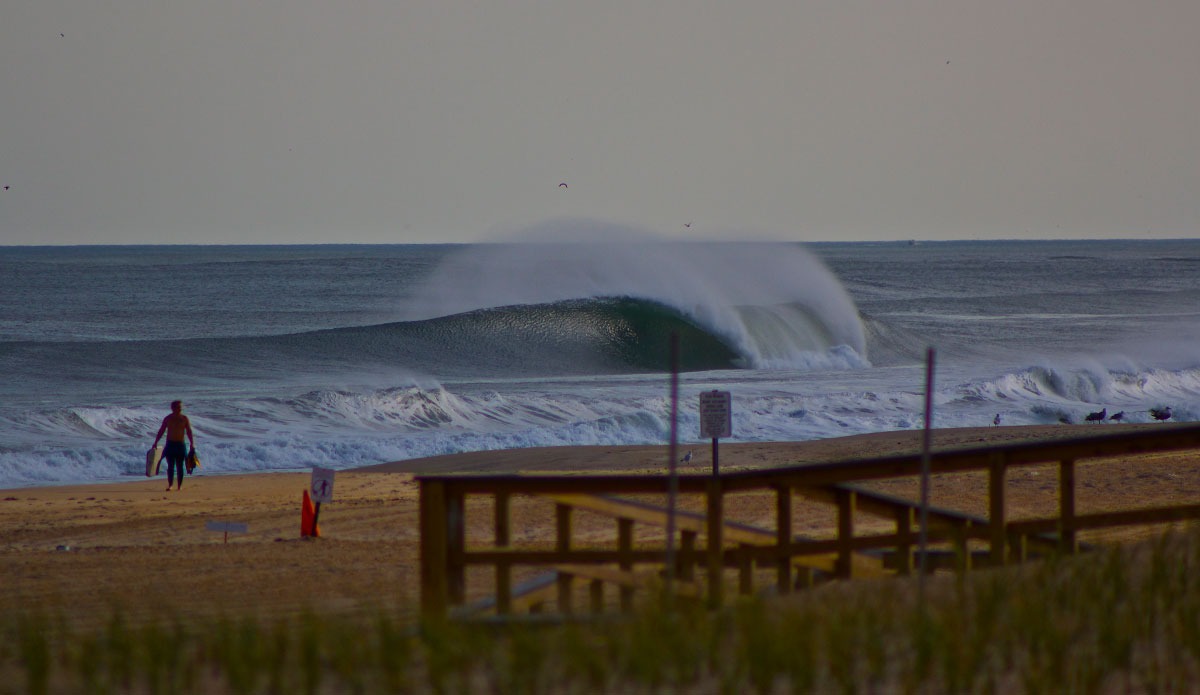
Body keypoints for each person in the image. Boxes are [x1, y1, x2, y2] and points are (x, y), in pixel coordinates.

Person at [152, 400, 195, 491]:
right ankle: (170, 485)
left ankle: (179, 486)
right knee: (170, 466)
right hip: (170, 445)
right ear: (173, 408)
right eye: (178, 407)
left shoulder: (184, 419)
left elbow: (189, 432)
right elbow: (161, 431)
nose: (181, 409)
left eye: (181, 407)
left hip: (180, 445)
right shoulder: (168, 419)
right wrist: (155, 442)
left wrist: (192, 443)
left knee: (180, 466)